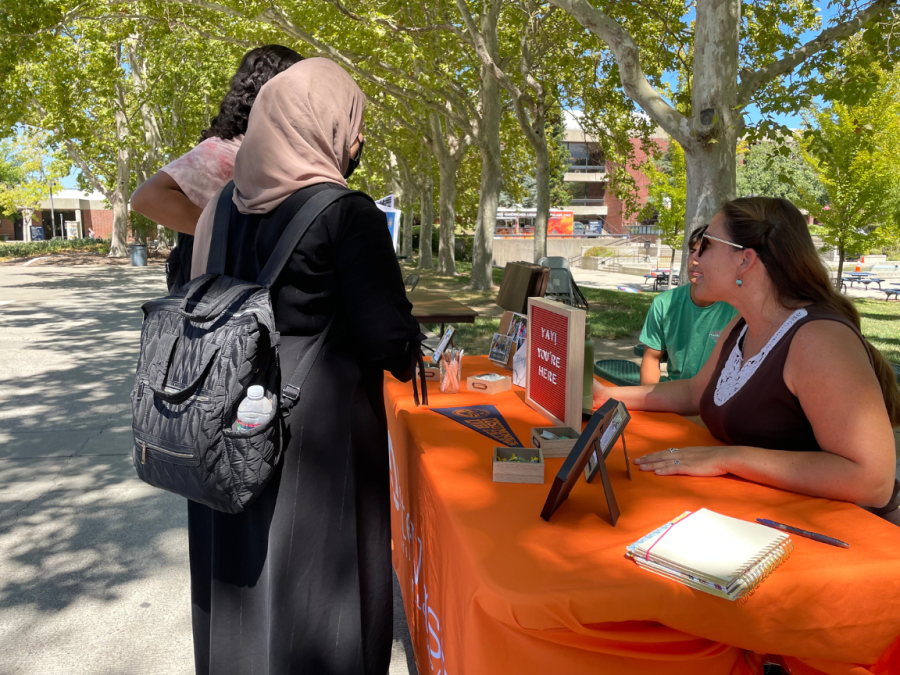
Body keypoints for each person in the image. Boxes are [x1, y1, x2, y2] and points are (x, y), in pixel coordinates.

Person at [187, 58, 425, 675]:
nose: (358, 141)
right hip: (315, 449)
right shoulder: (348, 215)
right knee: (317, 603)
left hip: (224, 436)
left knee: (238, 587)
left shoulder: (217, 213)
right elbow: (387, 341)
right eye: (353, 126)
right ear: (327, 128)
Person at [593, 197, 900, 522]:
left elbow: (872, 481)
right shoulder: (741, 325)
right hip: (760, 517)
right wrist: (606, 396)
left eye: (706, 245)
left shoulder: (818, 339)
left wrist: (730, 459)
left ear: (745, 260)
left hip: (846, 535)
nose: (695, 258)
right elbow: (693, 393)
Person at [130, 45, 303, 289]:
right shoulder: (228, 151)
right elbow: (146, 198)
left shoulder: (257, 150)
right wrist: (227, 236)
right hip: (226, 304)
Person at [639, 225, 738, 384]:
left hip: (717, 401)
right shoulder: (663, 303)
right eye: (692, 251)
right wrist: (650, 399)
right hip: (673, 396)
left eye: (705, 252)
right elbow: (651, 357)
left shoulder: (739, 309)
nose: (695, 260)